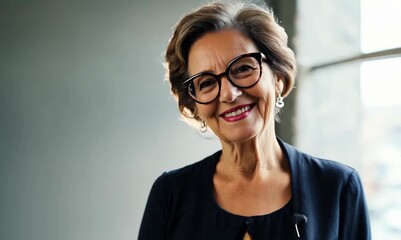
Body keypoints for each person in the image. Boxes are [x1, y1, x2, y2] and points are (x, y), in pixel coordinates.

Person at [138, 1, 371, 239]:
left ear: (278, 77)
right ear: (195, 105)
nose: (229, 94)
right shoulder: (170, 194)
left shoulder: (339, 187)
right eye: (206, 83)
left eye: (242, 69)